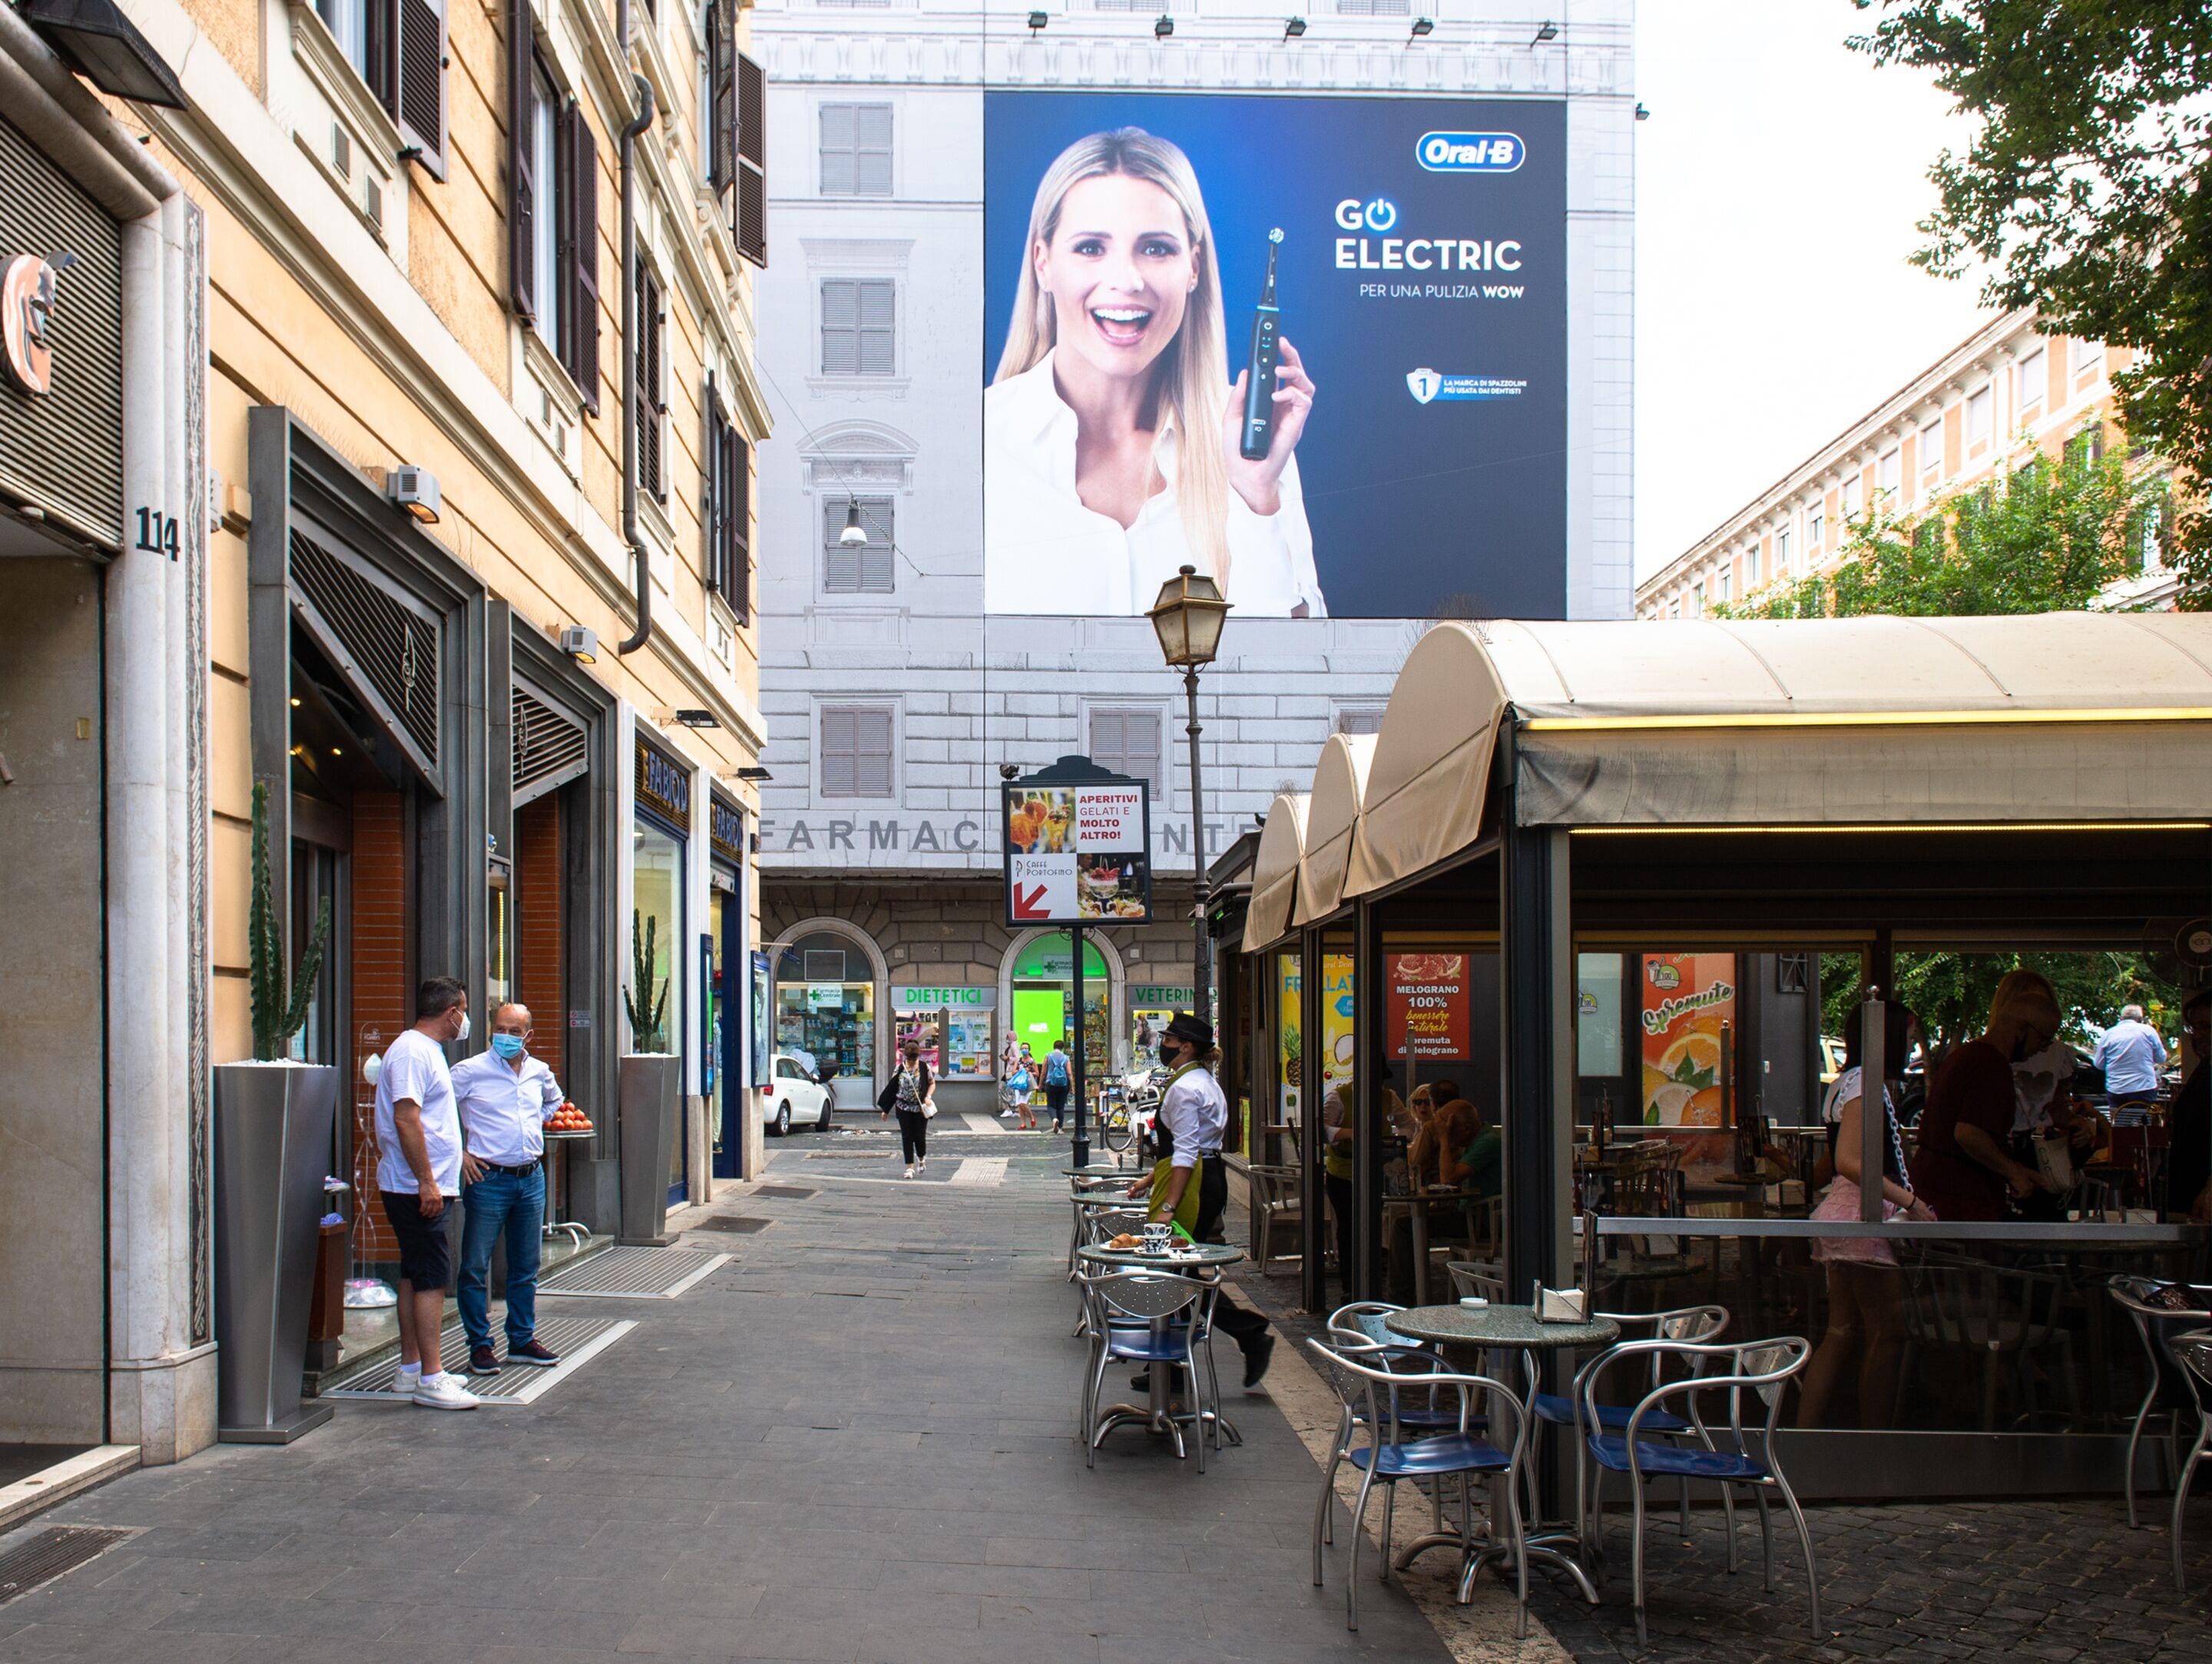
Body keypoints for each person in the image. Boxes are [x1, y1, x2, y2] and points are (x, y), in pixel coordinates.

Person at [985, 127, 1324, 618]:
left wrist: (1256, 499)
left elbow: (1294, 674)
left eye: (1156, 248)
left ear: (1193, 267)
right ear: (1043, 263)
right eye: (1091, 248)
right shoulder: (977, 447)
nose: (1126, 280)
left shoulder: (1252, 448)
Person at [1800, 1003, 1936, 1430]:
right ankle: (1873, 1441)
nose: (1913, 1045)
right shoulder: (1867, 1084)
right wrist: (1912, 1204)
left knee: (1841, 1331)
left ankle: (1805, 1434)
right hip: (1861, 1215)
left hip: (1841, 1213)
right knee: (1888, 1332)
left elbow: (1833, 1161)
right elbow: (1850, 1162)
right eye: (1909, 1037)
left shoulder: (1847, 1082)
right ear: (1890, 1038)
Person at [1127, 1012, 1275, 1389]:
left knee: (1173, 1271)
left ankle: (1240, 1335)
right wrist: (1149, 1179)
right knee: (1180, 1271)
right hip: (1204, 1177)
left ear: (1186, 1046)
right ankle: (1180, 1358)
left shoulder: (1185, 1088)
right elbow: (1192, 1146)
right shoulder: (1202, 1082)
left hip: (1192, 1183)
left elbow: (1186, 1151)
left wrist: (1168, 1207)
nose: (1163, 1045)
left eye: (1169, 1040)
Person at [373, 977, 478, 1410]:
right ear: (452, 1011)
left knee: (416, 1273)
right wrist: (427, 1181)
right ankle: (431, 1378)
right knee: (433, 1277)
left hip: (417, 1184)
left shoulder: (421, 1050)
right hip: (416, 1187)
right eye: (465, 1009)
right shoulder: (415, 1051)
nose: (466, 1019)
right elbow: (406, 1118)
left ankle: (411, 1368)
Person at [449, 1002, 565, 1376]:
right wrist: (460, 1152)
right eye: (501, 1029)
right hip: (488, 1180)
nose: (507, 1037)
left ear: (529, 1035)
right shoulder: (469, 1072)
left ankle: (521, 1338)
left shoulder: (539, 1072)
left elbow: (555, 1100)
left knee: (526, 1266)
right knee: (474, 1266)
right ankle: (480, 1346)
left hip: (531, 1178)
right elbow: (436, 1109)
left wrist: (535, 1122)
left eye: (515, 1032)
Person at [1909, 971, 2068, 1222]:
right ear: (2022, 1029)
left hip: (1944, 1192)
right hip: (1957, 1199)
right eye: (2043, 1040)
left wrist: (2018, 1171)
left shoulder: (1968, 1055)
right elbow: (1968, 1134)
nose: (2042, 1049)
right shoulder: (1989, 1064)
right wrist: (2012, 1173)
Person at [2165, 987, 2210, 1223]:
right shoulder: (2204, 1068)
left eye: (2206, 1027)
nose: (2197, 1035)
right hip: (2189, 1197)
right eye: (2194, 1028)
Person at [2094, 1003, 2167, 1125]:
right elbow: (2161, 1058)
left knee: (2119, 1126)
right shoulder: (2148, 1031)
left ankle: (2121, 1142)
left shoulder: (2108, 1034)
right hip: (2143, 1087)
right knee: (2144, 1126)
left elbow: (2099, 1064)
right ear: (2140, 1019)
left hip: (2116, 1089)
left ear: (2121, 1018)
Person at [883, 1039, 935, 1178]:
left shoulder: (924, 1068)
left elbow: (932, 1083)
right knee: (907, 1137)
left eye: (914, 1059)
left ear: (918, 1056)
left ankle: (921, 1158)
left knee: (920, 1137)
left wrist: (928, 1097)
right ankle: (909, 1168)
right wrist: (886, 1110)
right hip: (903, 1107)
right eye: (909, 1059)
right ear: (905, 1056)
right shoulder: (899, 1068)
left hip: (920, 1109)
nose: (912, 1062)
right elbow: (892, 1089)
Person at [1044, 1035, 1073, 1134]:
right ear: (1063, 1047)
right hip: (1063, 1085)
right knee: (1061, 1106)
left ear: (1054, 1046)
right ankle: (1060, 1127)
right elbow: (1069, 1073)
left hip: (1051, 1083)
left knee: (1051, 1105)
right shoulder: (1066, 1058)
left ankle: (1054, 1119)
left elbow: (1044, 1071)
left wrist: (1040, 1084)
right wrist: (1072, 1087)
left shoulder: (1048, 1056)